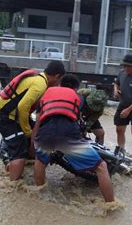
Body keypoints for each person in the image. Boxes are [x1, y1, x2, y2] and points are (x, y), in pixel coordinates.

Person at [33, 74, 115, 203]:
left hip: (45, 132)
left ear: (59, 84)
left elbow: (38, 121)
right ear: (76, 88)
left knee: (40, 162)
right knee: (101, 167)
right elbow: (78, 119)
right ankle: (111, 206)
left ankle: (40, 198)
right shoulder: (78, 97)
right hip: (67, 133)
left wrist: (34, 141)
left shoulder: (46, 93)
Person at [0, 61, 65, 180]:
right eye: (58, 80)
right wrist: (27, 131)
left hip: (6, 115)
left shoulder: (37, 79)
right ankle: (13, 187)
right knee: (20, 149)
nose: (57, 83)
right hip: (3, 117)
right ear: (57, 76)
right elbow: (22, 107)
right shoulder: (40, 85)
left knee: (36, 133)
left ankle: (21, 164)